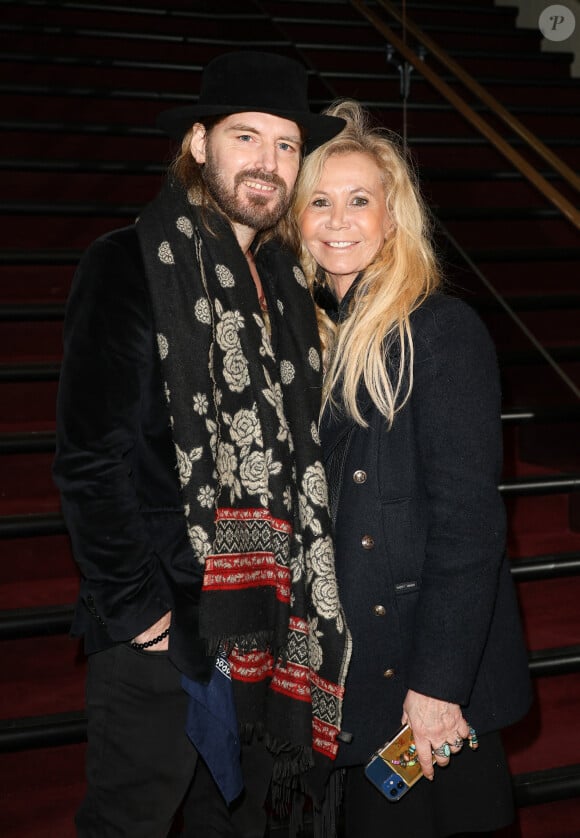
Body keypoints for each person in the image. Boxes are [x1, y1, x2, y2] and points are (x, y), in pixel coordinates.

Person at [52, 51, 352, 838]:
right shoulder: (127, 265)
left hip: (268, 627)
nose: (268, 163)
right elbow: (89, 456)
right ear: (197, 143)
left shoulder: (289, 286)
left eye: (287, 146)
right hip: (165, 627)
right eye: (245, 137)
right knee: (133, 822)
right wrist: (138, 612)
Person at [289, 100, 532, 837]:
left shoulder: (439, 330)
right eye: (319, 202)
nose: (338, 220)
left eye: (360, 200)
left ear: (393, 218)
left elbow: (469, 523)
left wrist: (437, 685)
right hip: (350, 669)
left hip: (418, 676)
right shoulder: (310, 336)